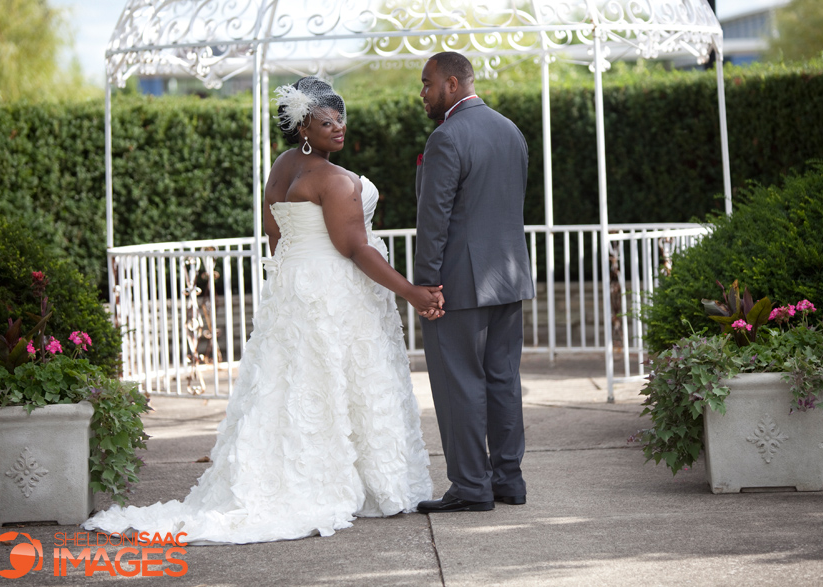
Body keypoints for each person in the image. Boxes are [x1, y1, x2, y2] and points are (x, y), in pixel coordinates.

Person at [83, 76, 440, 544]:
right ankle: (363, 485)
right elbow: (356, 249)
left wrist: (293, 277)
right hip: (334, 290)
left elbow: (275, 233)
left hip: (294, 287)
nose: (339, 127)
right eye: (326, 120)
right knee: (339, 381)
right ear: (302, 126)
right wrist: (411, 292)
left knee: (292, 384)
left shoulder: (283, 166)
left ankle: (291, 474)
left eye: (341, 118)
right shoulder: (336, 180)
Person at [414, 52, 535, 513]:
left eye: (426, 84)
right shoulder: (511, 131)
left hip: (458, 286)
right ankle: (509, 480)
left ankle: (470, 486)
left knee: (459, 383)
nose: (422, 94)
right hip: (507, 278)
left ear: (450, 84)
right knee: (503, 380)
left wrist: (426, 285)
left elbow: (434, 220)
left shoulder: (447, 137)